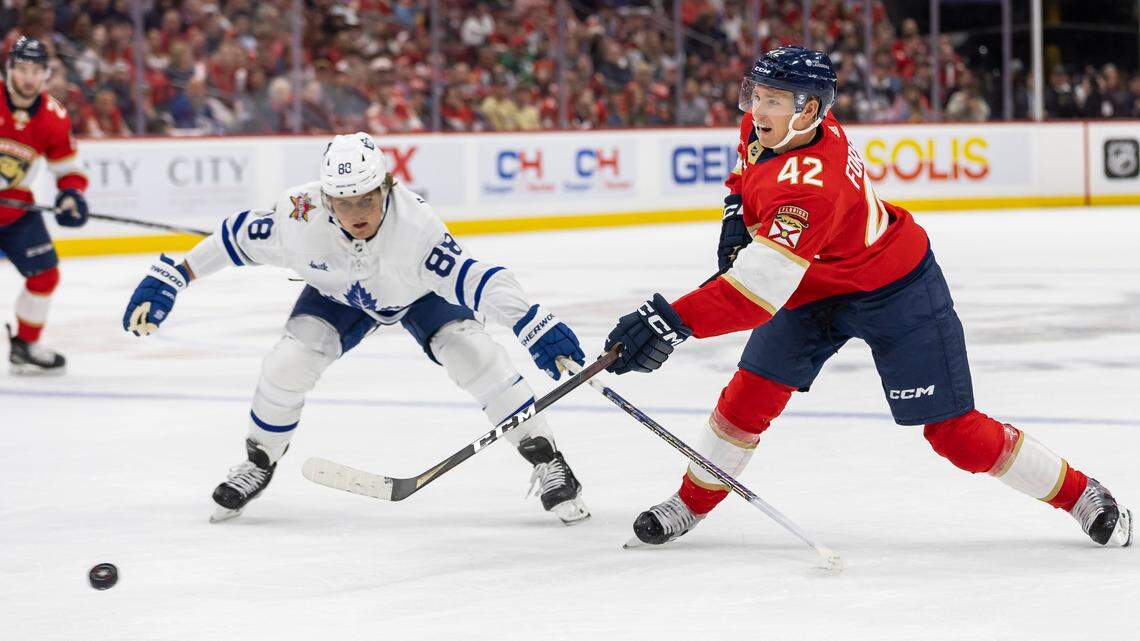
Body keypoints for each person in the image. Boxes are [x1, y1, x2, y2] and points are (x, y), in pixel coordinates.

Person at [602, 46, 1132, 549]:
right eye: (755, 94)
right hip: (812, 287)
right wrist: (735, 213)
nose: (755, 109)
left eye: (771, 99)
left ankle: (1082, 494)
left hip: (895, 289)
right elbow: (747, 166)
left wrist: (668, 320)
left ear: (808, 110)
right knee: (745, 401)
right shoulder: (773, 126)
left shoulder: (813, 186)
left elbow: (752, 296)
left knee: (955, 434)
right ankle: (691, 503)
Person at [122, 132, 590, 525]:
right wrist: (175, 275)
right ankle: (259, 460)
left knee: (474, 355)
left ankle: (547, 458)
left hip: (415, 291)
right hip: (339, 295)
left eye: (367, 198)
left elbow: (475, 277)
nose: (357, 212)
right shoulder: (298, 216)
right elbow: (234, 235)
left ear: (387, 188)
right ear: (326, 198)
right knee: (287, 363)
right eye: (344, 202)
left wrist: (531, 321)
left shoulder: (418, 231)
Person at [1, 36, 89, 375]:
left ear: (45, 74)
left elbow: (68, 168)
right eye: (21, 69)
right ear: (9, 70)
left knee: (45, 275)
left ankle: (24, 346)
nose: (27, 78)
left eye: (35, 71)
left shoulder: (53, 116)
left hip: (17, 209)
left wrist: (71, 196)